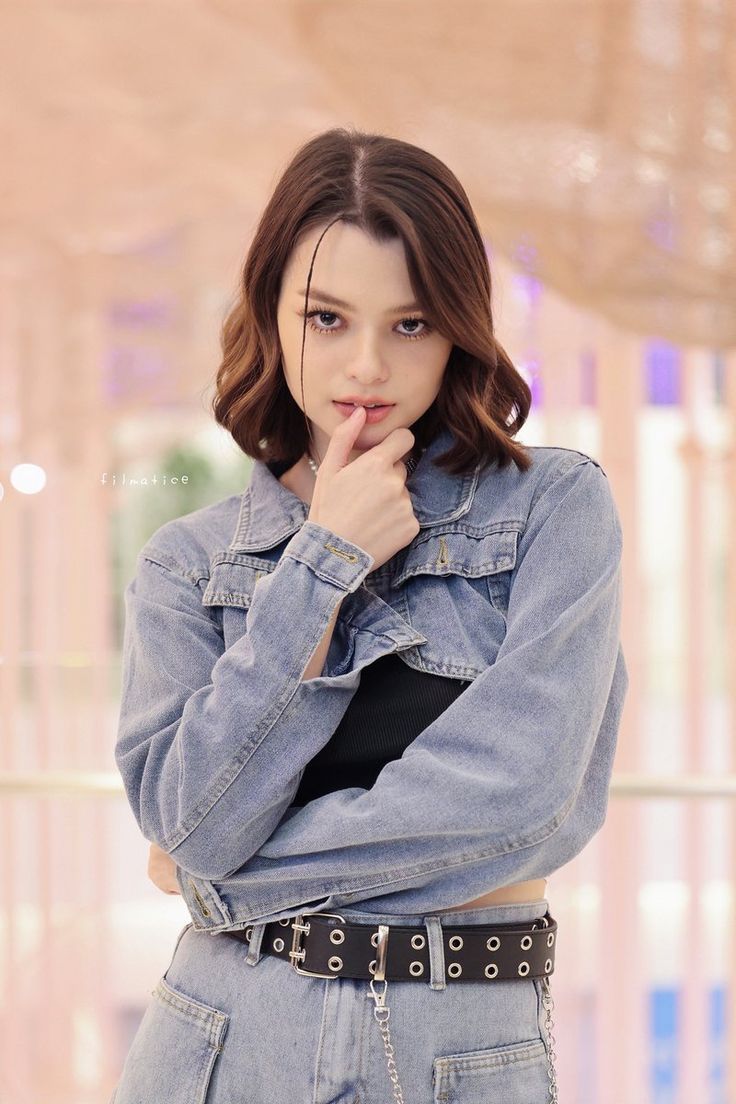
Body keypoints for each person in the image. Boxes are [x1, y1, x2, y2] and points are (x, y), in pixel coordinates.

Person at [111, 127, 628, 1104]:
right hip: (220, 1044)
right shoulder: (189, 563)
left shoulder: (554, 511)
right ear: (272, 313)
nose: (366, 368)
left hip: (456, 1049)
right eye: (327, 318)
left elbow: (519, 798)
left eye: (410, 324)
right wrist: (324, 559)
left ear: (458, 329)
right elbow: (189, 815)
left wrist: (217, 878)